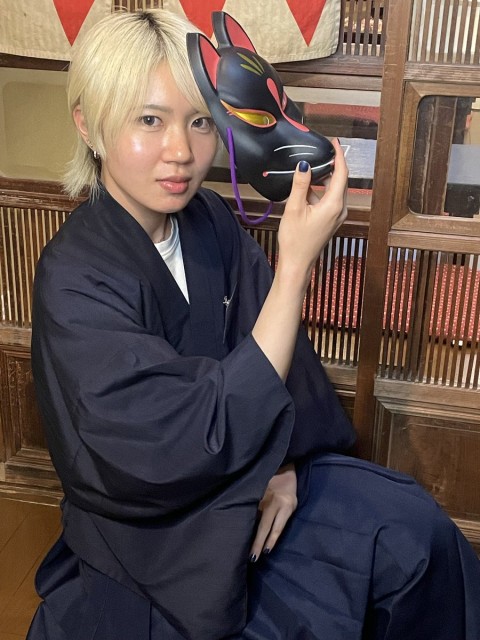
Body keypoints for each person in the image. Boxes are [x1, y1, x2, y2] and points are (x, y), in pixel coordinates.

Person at [27, 9, 480, 640]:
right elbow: (164, 441)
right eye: (149, 120)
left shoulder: (209, 220)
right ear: (88, 123)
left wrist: (284, 463)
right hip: (158, 531)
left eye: (200, 121)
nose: (181, 151)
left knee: (413, 532)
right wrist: (295, 266)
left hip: (257, 469)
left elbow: (277, 358)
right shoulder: (75, 275)